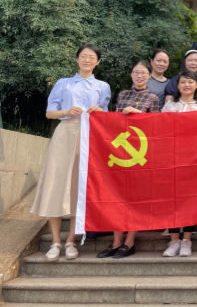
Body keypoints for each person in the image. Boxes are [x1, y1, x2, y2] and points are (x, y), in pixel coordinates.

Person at [31, 44, 110, 262]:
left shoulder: (103, 86)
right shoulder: (63, 83)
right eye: (83, 56)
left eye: (92, 57)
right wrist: (66, 111)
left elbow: (107, 115)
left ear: (98, 62)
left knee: (79, 186)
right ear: (77, 59)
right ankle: (55, 242)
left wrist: (100, 111)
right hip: (65, 133)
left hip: (89, 136)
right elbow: (49, 113)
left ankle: (71, 241)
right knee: (56, 183)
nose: (87, 60)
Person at [96, 61, 159, 259]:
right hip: (119, 153)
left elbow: (157, 125)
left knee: (134, 199)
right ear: (131, 75)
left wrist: (138, 115)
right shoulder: (123, 95)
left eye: (143, 73)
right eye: (136, 72)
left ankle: (130, 242)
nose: (139, 76)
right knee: (117, 197)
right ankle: (116, 241)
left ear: (149, 76)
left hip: (140, 154)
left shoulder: (153, 98)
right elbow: (113, 121)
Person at [160, 70, 197, 257]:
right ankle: (174, 240)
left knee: (190, 200)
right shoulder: (169, 106)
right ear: (178, 85)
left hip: (194, 159)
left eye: (190, 82)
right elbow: (158, 128)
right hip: (171, 157)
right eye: (183, 82)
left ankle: (187, 240)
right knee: (171, 199)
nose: (187, 85)